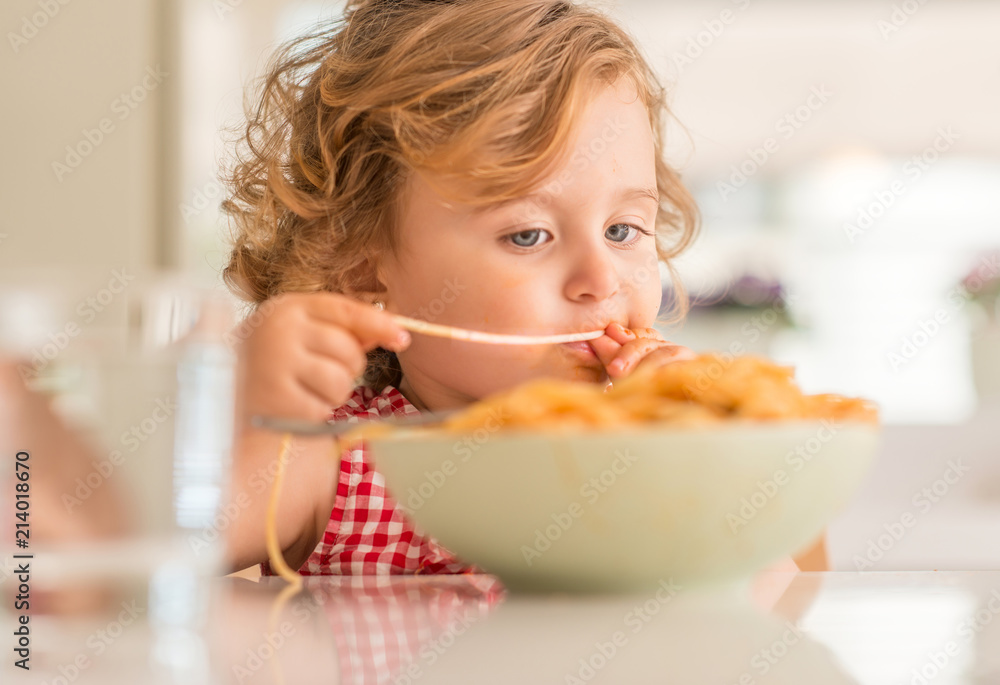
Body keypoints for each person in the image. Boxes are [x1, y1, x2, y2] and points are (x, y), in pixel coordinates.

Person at [219, 0, 826, 577]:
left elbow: (779, 604)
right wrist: (250, 413)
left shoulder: (641, 454)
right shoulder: (333, 463)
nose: (601, 280)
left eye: (622, 229)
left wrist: (706, 455)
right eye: (529, 236)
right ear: (363, 266)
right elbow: (157, 556)